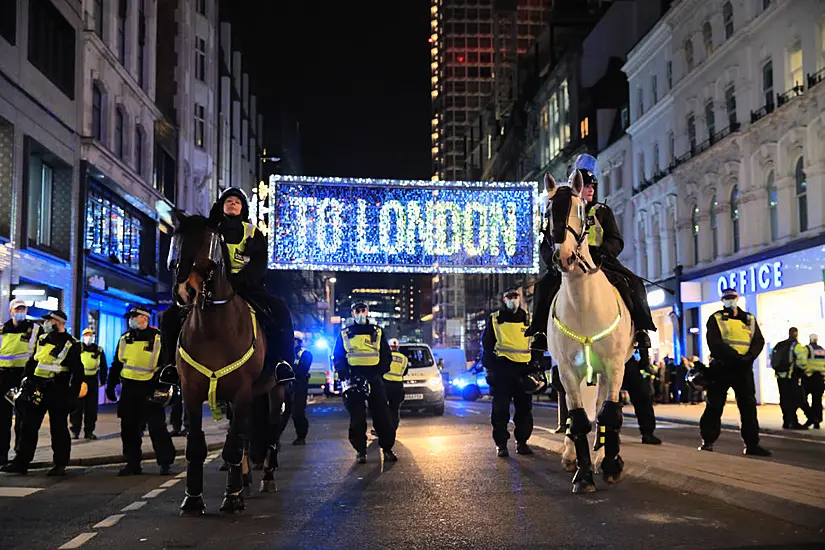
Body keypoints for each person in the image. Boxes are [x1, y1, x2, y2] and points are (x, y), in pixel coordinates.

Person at [160, 187, 294, 383]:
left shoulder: (252, 232)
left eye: (237, 202)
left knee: (278, 311)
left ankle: (281, 362)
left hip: (246, 287)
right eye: (229, 201)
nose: (233, 204)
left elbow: (259, 263)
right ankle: (169, 366)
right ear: (221, 205)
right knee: (171, 316)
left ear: (243, 209)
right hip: (208, 286)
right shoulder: (207, 230)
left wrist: (240, 282)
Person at [527, 153, 656, 352]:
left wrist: (603, 253)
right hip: (567, 259)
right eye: (586, 186)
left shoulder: (602, 211)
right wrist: (552, 260)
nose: (590, 190)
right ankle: (540, 332)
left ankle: (641, 329)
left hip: (601, 260)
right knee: (543, 287)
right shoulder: (562, 209)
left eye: (592, 186)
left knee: (634, 282)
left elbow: (616, 239)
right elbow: (546, 241)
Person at [1, 310, 82, 476]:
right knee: (28, 426)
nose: (45, 323)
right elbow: (33, 362)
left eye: (49, 320)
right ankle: (21, 462)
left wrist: (72, 396)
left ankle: (60, 464)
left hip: (57, 389)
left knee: (58, 428)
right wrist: (26, 380)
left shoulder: (71, 344)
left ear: (59, 322)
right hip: (38, 387)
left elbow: (77, 372)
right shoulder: (43, 339)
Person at [698, 288, 771, 456]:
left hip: (743, 369)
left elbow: (759, 341)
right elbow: (714, 343)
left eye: (732, 297)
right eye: (727, 298)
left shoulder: (749, 319)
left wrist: (750, 357)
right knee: (714, 406)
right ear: (723, 300)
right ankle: (708, 441)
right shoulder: (716, 318)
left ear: (737, 298)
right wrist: (736, 357)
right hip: (722, 367)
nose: (730, 300)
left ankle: (752, 444)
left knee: (748, 408)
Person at [106, 306, 175, 476]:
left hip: (150, 389)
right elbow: (117, 364)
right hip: (129, 389)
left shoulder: (159, 338)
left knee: (157, 428)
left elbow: (167, 365)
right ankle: (132, 463)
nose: (131, 319)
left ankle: (165, 462)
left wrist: (163, 388)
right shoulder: (125, 338)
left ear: (145, 318)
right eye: (130, 317)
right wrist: (110, 385)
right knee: (128, 429)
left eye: (135, 316)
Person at [333, 302, 396, 464]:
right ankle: (361, 451)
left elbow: (385, 354)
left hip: (374, 376)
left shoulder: (378, 332)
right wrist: (344, 374)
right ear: (353, 313)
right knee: (357, 417)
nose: (361, 313)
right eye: (357, 311)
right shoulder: (345, 333)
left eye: (363, 310)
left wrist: (379, 372)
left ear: (367, 312)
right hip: (355, 377)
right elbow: (338, 355)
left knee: (382, 415)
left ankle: (387, 449)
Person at [482, 288, 539, 458]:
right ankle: (501, 445)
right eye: (509, 297)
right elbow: (487, 345)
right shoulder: (495, 319)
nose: (513, 300)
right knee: (500, 410)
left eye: (515, 297)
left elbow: (536, 344)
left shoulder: (528, 318)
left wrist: (536, 366)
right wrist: (490, 368)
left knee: (524, 410)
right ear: (504, 300)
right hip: (503, 369)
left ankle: (522, 442)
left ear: (519, 299)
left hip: (524, 370)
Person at [0, 298, 41, 466]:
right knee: (2, 418)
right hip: (3, 377)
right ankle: (2, 455)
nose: (21, 311)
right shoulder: (2, 330)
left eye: (23, 308)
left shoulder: (34, 329)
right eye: (18, 309)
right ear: (11, 311)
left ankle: (20, 454)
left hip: (24, 378)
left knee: (23, 418)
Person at [70, 328, 108, 440]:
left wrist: (103, 380)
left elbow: (104, 366)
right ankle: (75, 431)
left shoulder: (98, 350)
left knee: (91, 408)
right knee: (77, 407)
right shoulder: (78, 348)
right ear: (83, 336)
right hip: (79, 380)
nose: (89, 337)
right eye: (86, 335)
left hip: (92, 380)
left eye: (90, 335)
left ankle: (89, 431)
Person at [283, 332, 311, 445]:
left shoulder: (305, 354)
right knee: (282, 414)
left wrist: (290, 370)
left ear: (299, 342)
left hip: (299, 386)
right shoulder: (286, 354)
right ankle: (274, 439)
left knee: (297, 413)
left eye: (294, 340)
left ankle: (301, 436)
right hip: (286, 385)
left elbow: (302, 369)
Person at [384, 338, 409, 431]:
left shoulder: (386, 356)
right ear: (397, 347)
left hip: (386, 385)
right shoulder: (404, 358)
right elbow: (405, 372)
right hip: (398, 386)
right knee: (395, 409)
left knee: (383, 408)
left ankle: (383, 429)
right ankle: (393, 428)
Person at [802, 334, 824, 429]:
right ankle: (817, 421)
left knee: (802, 398)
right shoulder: (822, 350)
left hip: (809, 377)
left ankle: (810, 417)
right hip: (820, 378)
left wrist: (803, 371)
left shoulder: (807, 349)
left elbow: (802, 362)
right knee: (817, 401)